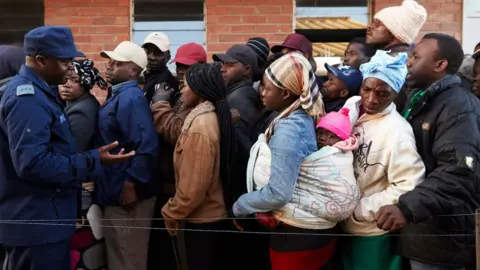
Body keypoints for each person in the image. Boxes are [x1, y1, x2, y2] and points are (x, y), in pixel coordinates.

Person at [0, 26, 133, 270]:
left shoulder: (42, 93)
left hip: (44, 220)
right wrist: (93, 160)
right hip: (36, 226)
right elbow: (33, 164)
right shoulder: (26, 99)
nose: (72, 68)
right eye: (65, 62)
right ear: (41, 60)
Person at [376, 33, 480, 270]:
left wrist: (407, 207)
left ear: (440, 65)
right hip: (417, 231)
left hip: (441, 240)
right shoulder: (418, 98)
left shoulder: (459, 106)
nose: (408, 62)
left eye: (415, 56)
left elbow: (458, 170)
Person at [233, 52, 328, 270]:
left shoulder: (289, 129)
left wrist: (240, 205)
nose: (262, 93)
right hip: (306, 231)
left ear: (285, 93)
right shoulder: (301, 115)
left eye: (267, 88)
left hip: (296, 236)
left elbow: (278, 193)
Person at [339, 50, 425, 270]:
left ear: (395, 93)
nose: (371, 99)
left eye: (382, 93)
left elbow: (409, 184)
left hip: (372, 234)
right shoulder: (352, 109)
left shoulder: (397, 132)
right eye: (367, 89)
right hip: (341, 227)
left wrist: (359, 209)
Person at [161, 63, 235, 270]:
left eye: (185, 86)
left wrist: (171, 212)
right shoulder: (208, 117)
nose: (181, 90)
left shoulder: (200, 127)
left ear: (199, 90)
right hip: (210, 217)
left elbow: (193, 188)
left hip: (200, 221)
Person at [95, 41, 159, 270]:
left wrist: (132, 184)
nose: (109, 66)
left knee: (127, 259)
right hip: (114, 188)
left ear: (133, 70)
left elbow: (146, 145)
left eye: (117, 62)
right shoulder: (119, 95)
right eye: (110, 61)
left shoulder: (131, 98)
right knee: (118, 257)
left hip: (128, 195)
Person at [147, 41, 207, 270]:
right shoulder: (183, 94)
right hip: (170, 183)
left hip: (183, 191)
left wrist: (160, 103)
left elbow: (175, 133)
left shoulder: (199, 99)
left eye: (187, 66)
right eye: (179, 66)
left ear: (201, 68)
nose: (181, 71)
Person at [58, 59, 109, 270]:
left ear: (86, 83)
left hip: (81, 190)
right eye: (65, 79)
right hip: (79, 185)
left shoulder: (82, 111)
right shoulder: (74, 105)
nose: (67, 84)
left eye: (75, 80)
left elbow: (72, 152)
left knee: (82, 250)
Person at [367, 0, 427, 112]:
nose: (370, 27)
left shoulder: (392, 62)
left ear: (395, 31)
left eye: (378, 23)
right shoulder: (404, 57)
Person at [142, 32, 178, 103]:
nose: (151, 57)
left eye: (157, 53)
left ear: (168, 57)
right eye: (147, 52)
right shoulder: (145, 78)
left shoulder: (166, 83)